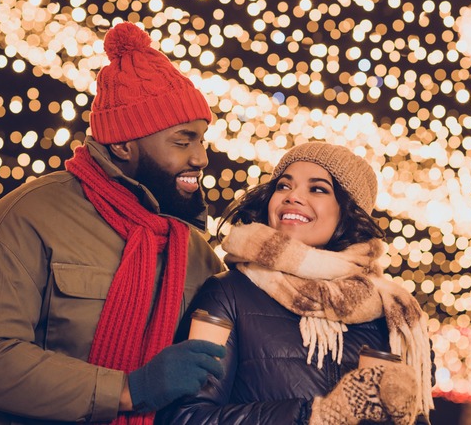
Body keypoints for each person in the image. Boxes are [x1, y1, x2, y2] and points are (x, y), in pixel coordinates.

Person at [0, 22, 227, 424]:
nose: (200, 158)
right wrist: (129, 390)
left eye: (202, 140)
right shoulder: (26, 219)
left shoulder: (195, 251)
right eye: (183, 141)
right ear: (124, 144)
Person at [158, 142, 434, 425]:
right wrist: (309, 417)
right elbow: (185, 417)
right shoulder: (229, 294)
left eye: (317, 189)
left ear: (349, 212)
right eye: (283, 186)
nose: (292, 197)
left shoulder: (391, 314)